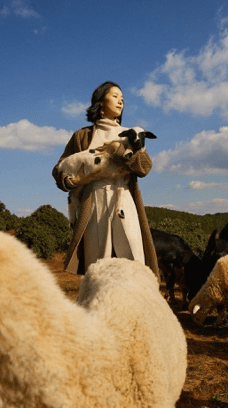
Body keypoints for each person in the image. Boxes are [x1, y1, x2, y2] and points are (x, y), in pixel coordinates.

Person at [52, 81, 159, 277]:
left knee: (134, 263)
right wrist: (75, 182)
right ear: (100, 102)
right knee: (98, 267)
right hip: (94, 203)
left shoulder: (131, 134)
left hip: (124, 198)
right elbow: (58, 170)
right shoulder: (82, 136)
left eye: (122, 99)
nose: (120, 101)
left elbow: (144, 167)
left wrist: (119, 150)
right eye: (115, 96)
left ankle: (134, 306)